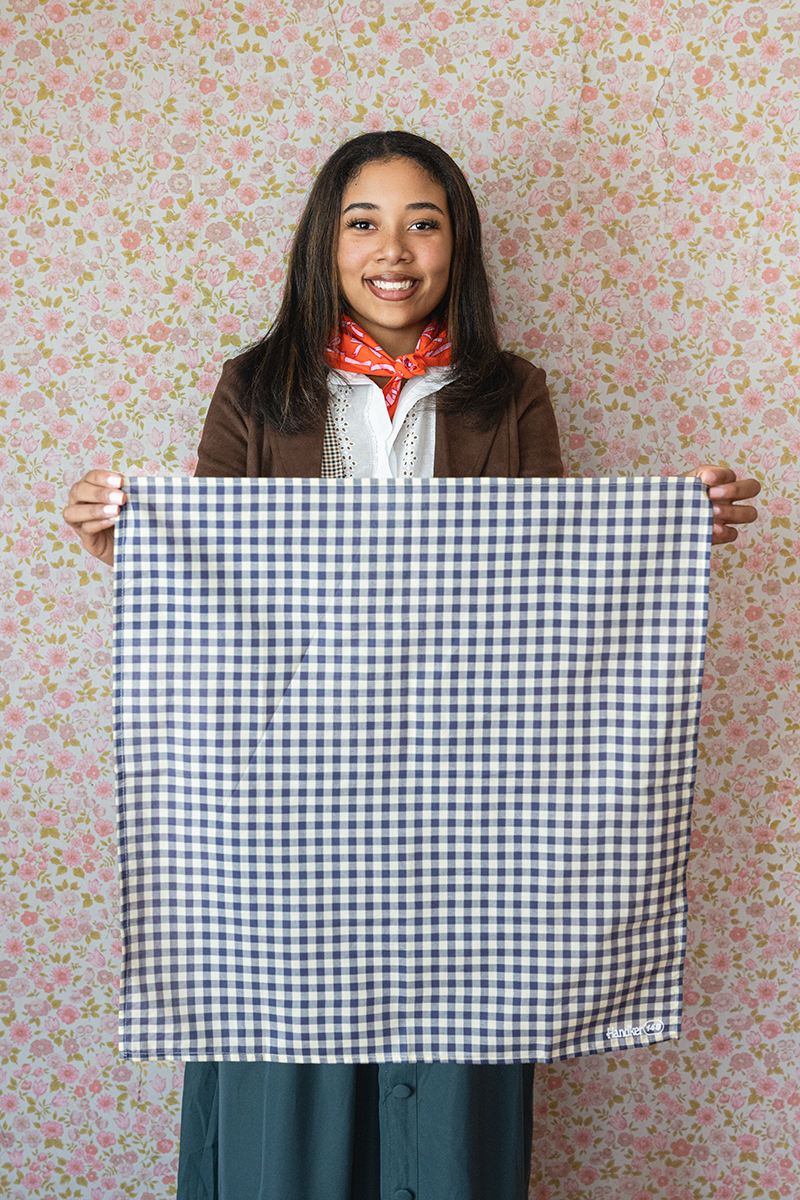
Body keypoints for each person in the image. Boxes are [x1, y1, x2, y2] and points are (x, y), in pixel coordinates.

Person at [65, 131, 760, 1200]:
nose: (394, 249)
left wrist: (669, 530)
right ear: (324, 245)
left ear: (457, 246)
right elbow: (205, 578)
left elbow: (552, 592)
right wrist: (131, 541)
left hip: (464, 809)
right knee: (280, 1104)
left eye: (422, 222)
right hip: (284, 815)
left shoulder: (509, 392)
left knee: (449, 1121)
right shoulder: (254, 389)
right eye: (363, 222)